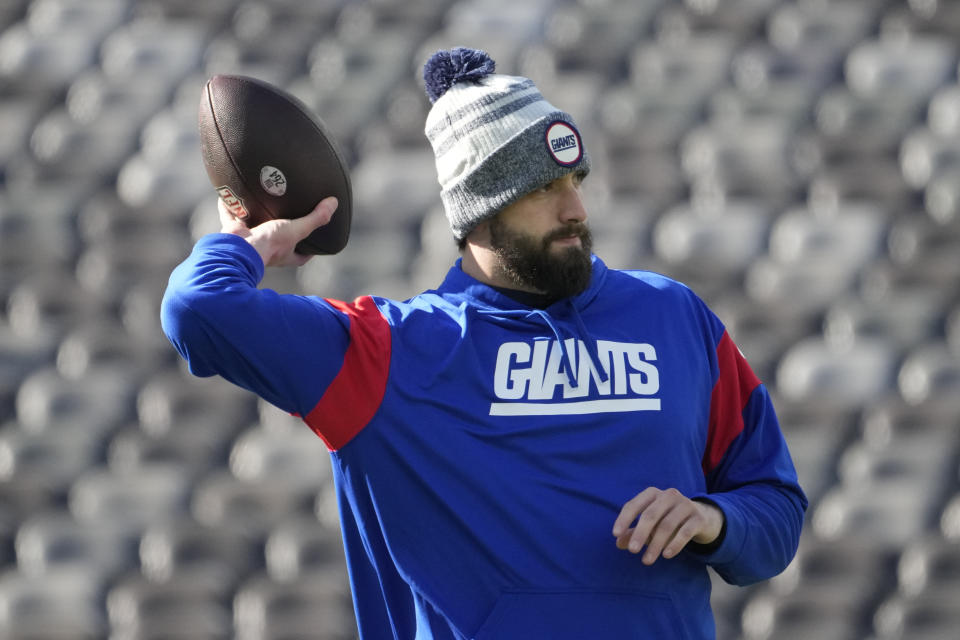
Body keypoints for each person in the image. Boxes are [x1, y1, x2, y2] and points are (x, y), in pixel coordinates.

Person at [162, 47, 806, 639]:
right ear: (479, 210)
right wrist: (246, 245)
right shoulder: (389, 351)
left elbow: (775, 507)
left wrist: (714, 521)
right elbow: (198, 308)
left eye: (575, 181)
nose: (575, 208)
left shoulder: (675, 318)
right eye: (543, 191)